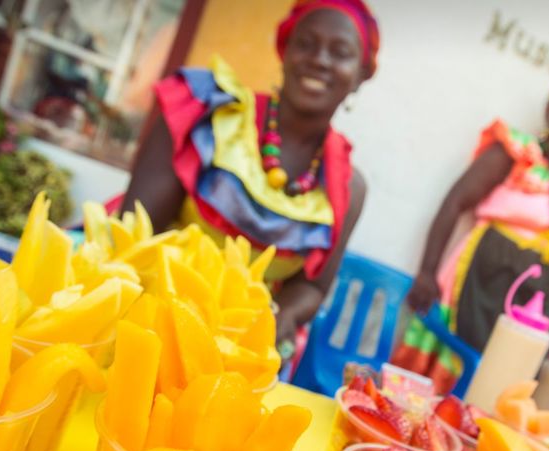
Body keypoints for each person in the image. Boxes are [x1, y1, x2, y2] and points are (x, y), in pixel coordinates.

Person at [122, 0, 379, 358]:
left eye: (340, 52)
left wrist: (275, 318)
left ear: (362, 72)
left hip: (240, 351)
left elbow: (313, 288)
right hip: (149, 323)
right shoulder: (209, 117)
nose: (319, 60)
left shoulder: (348, 188)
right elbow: (133, 228)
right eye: (305, 44)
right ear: (284, 51)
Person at [394, 77, 549, 391]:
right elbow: (455, 202)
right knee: (454, 372)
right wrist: (427, 271)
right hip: (480, 283)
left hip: (548, 306)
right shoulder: (517, 152)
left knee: (507, 390)